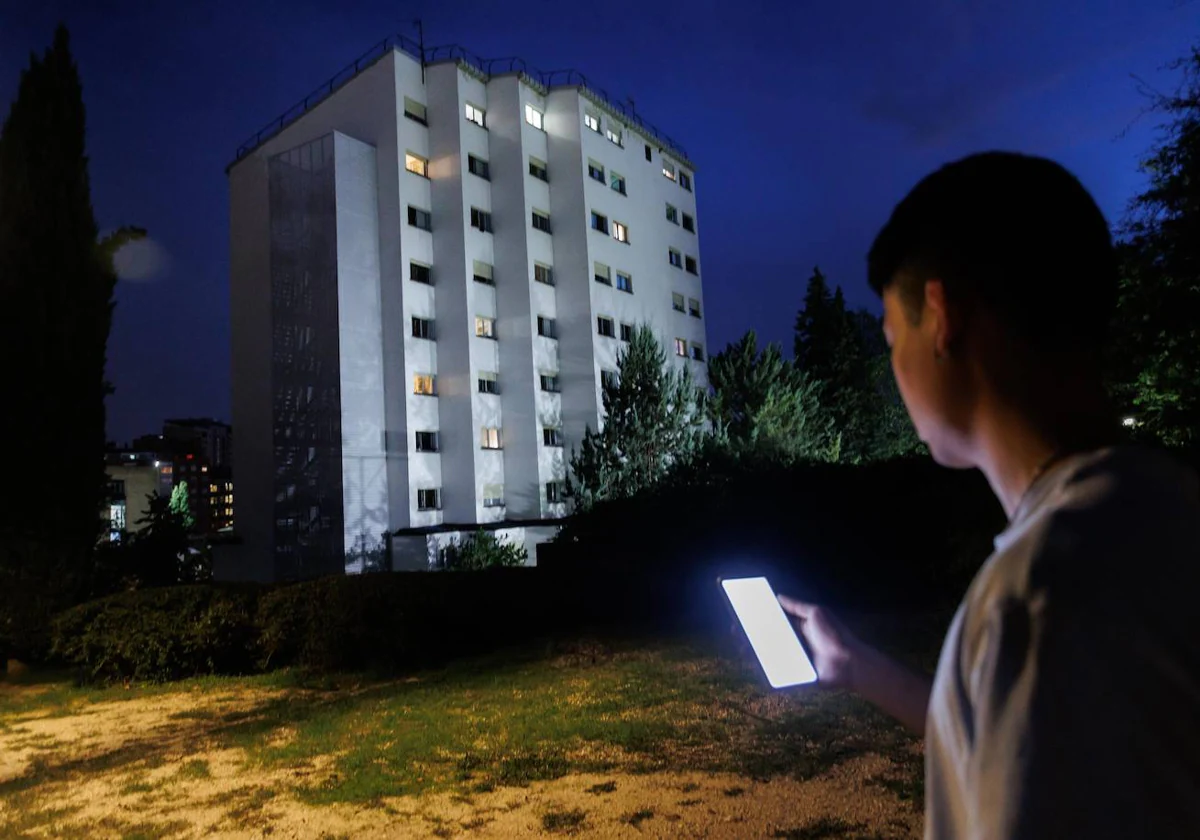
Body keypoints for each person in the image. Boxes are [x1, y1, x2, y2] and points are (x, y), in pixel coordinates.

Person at [778, 151, 1200, 838]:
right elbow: (1029, 737)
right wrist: (859, 667)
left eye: (892, 338)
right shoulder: (1161, 509)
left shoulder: (1041, 597)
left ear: (941, 316)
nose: (896, 369)